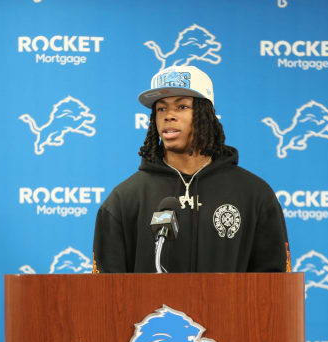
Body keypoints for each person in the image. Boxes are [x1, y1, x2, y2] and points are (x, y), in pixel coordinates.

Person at [92, 65, 289, 273]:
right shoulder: (124, 198)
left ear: (207, 114)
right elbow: (107, 294)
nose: (169, 116)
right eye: (161, 109)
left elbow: (275, 288)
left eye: (182, 107)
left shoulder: (254, 194)